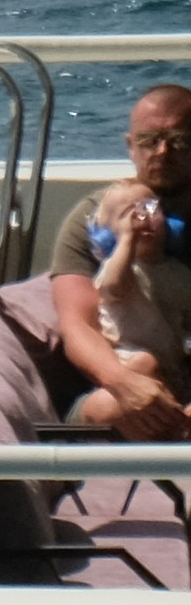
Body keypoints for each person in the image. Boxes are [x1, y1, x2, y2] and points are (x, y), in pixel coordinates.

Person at [52, 83, 191, 437]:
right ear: (130, 146)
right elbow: (78, 325)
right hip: (125, 380)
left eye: (178, 140)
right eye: (148, 140)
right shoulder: (94, 217)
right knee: (103, 408)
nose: (162, 151)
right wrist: (125, 384)